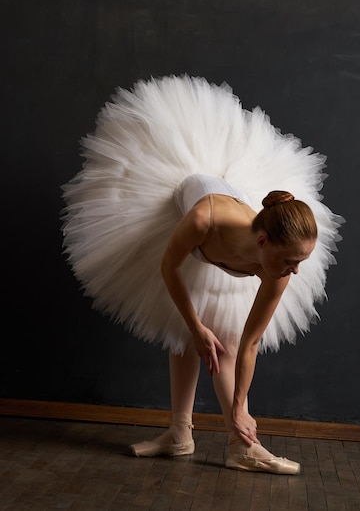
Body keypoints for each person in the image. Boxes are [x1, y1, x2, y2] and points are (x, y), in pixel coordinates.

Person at [62, 75, 343, 475]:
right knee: (187, 336)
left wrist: (242, 406)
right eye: (289, 261)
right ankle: (180, 433)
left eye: (300, 263)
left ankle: (241, 444)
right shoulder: (203, 219)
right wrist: (194, 325)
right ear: (263, 243)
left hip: (233, 237)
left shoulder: (279, 271)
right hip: (182, 205)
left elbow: (251, 343)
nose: (296, 271)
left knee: (225, 345)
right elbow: (168, 267)